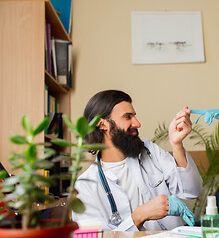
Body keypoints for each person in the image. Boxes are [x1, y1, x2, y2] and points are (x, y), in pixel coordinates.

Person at [72, 90, 202, 231]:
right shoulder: (85, 186)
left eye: (134, 116)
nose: (137, 123)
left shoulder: (149, 151)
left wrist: (176, 144)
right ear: (102, 124)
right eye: (127, 117)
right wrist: (140, 215)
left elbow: (192, 190)